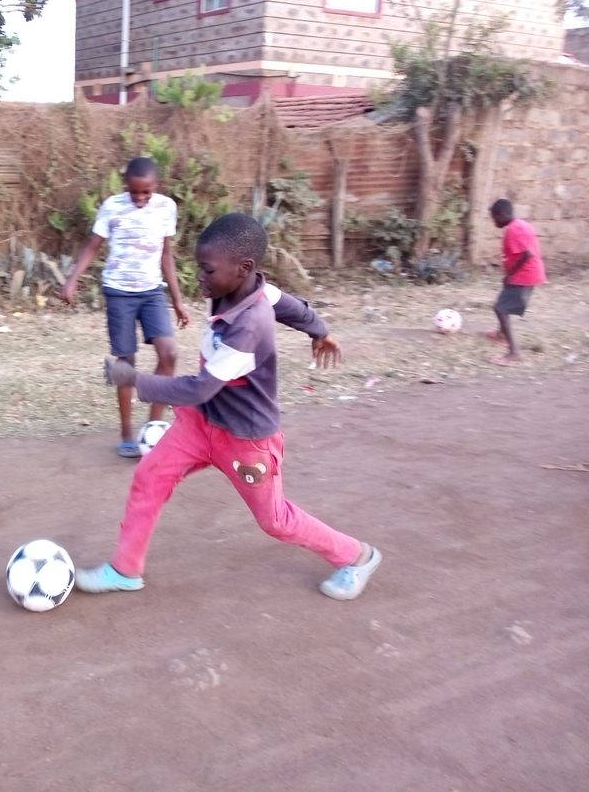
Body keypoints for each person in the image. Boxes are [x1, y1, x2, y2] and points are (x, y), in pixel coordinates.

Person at [75, 213, 381, 601]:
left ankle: (357, 556)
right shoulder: (243, 289)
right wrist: (320, 331)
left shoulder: (249, 325)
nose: (199, 278)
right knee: (149, 477)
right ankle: (125, 569)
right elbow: (288, 305)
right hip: (200, 423)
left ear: (244, 268)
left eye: (207, 270)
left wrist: (133, 378)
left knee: (275, 520)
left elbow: (201, 387)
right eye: (198, 268)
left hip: (244, 440)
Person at [59, 157, 189, 459]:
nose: (140, 198)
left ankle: (154, 428)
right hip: (118, 292)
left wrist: (178, 300)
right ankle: (127, 434)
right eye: (134, 192)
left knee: (169, 354)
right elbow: (93, 246)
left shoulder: (166, 207)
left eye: (146, 192)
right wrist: (72, 280)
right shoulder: (112, 206)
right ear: (125, 186)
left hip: (152, 292)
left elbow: (166, 255)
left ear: (156, 186)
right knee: (125, 364)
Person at [484, 199, 547, 366]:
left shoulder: (515, 229)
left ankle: (514, 352)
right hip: (525, 274)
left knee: (500, 309)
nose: (494, 222)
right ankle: (501, 334)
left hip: (524, 276)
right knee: (504, 304)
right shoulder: (519, 225)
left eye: (494, 218)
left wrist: (510, 274)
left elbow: (527, 254)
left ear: (502, 215)